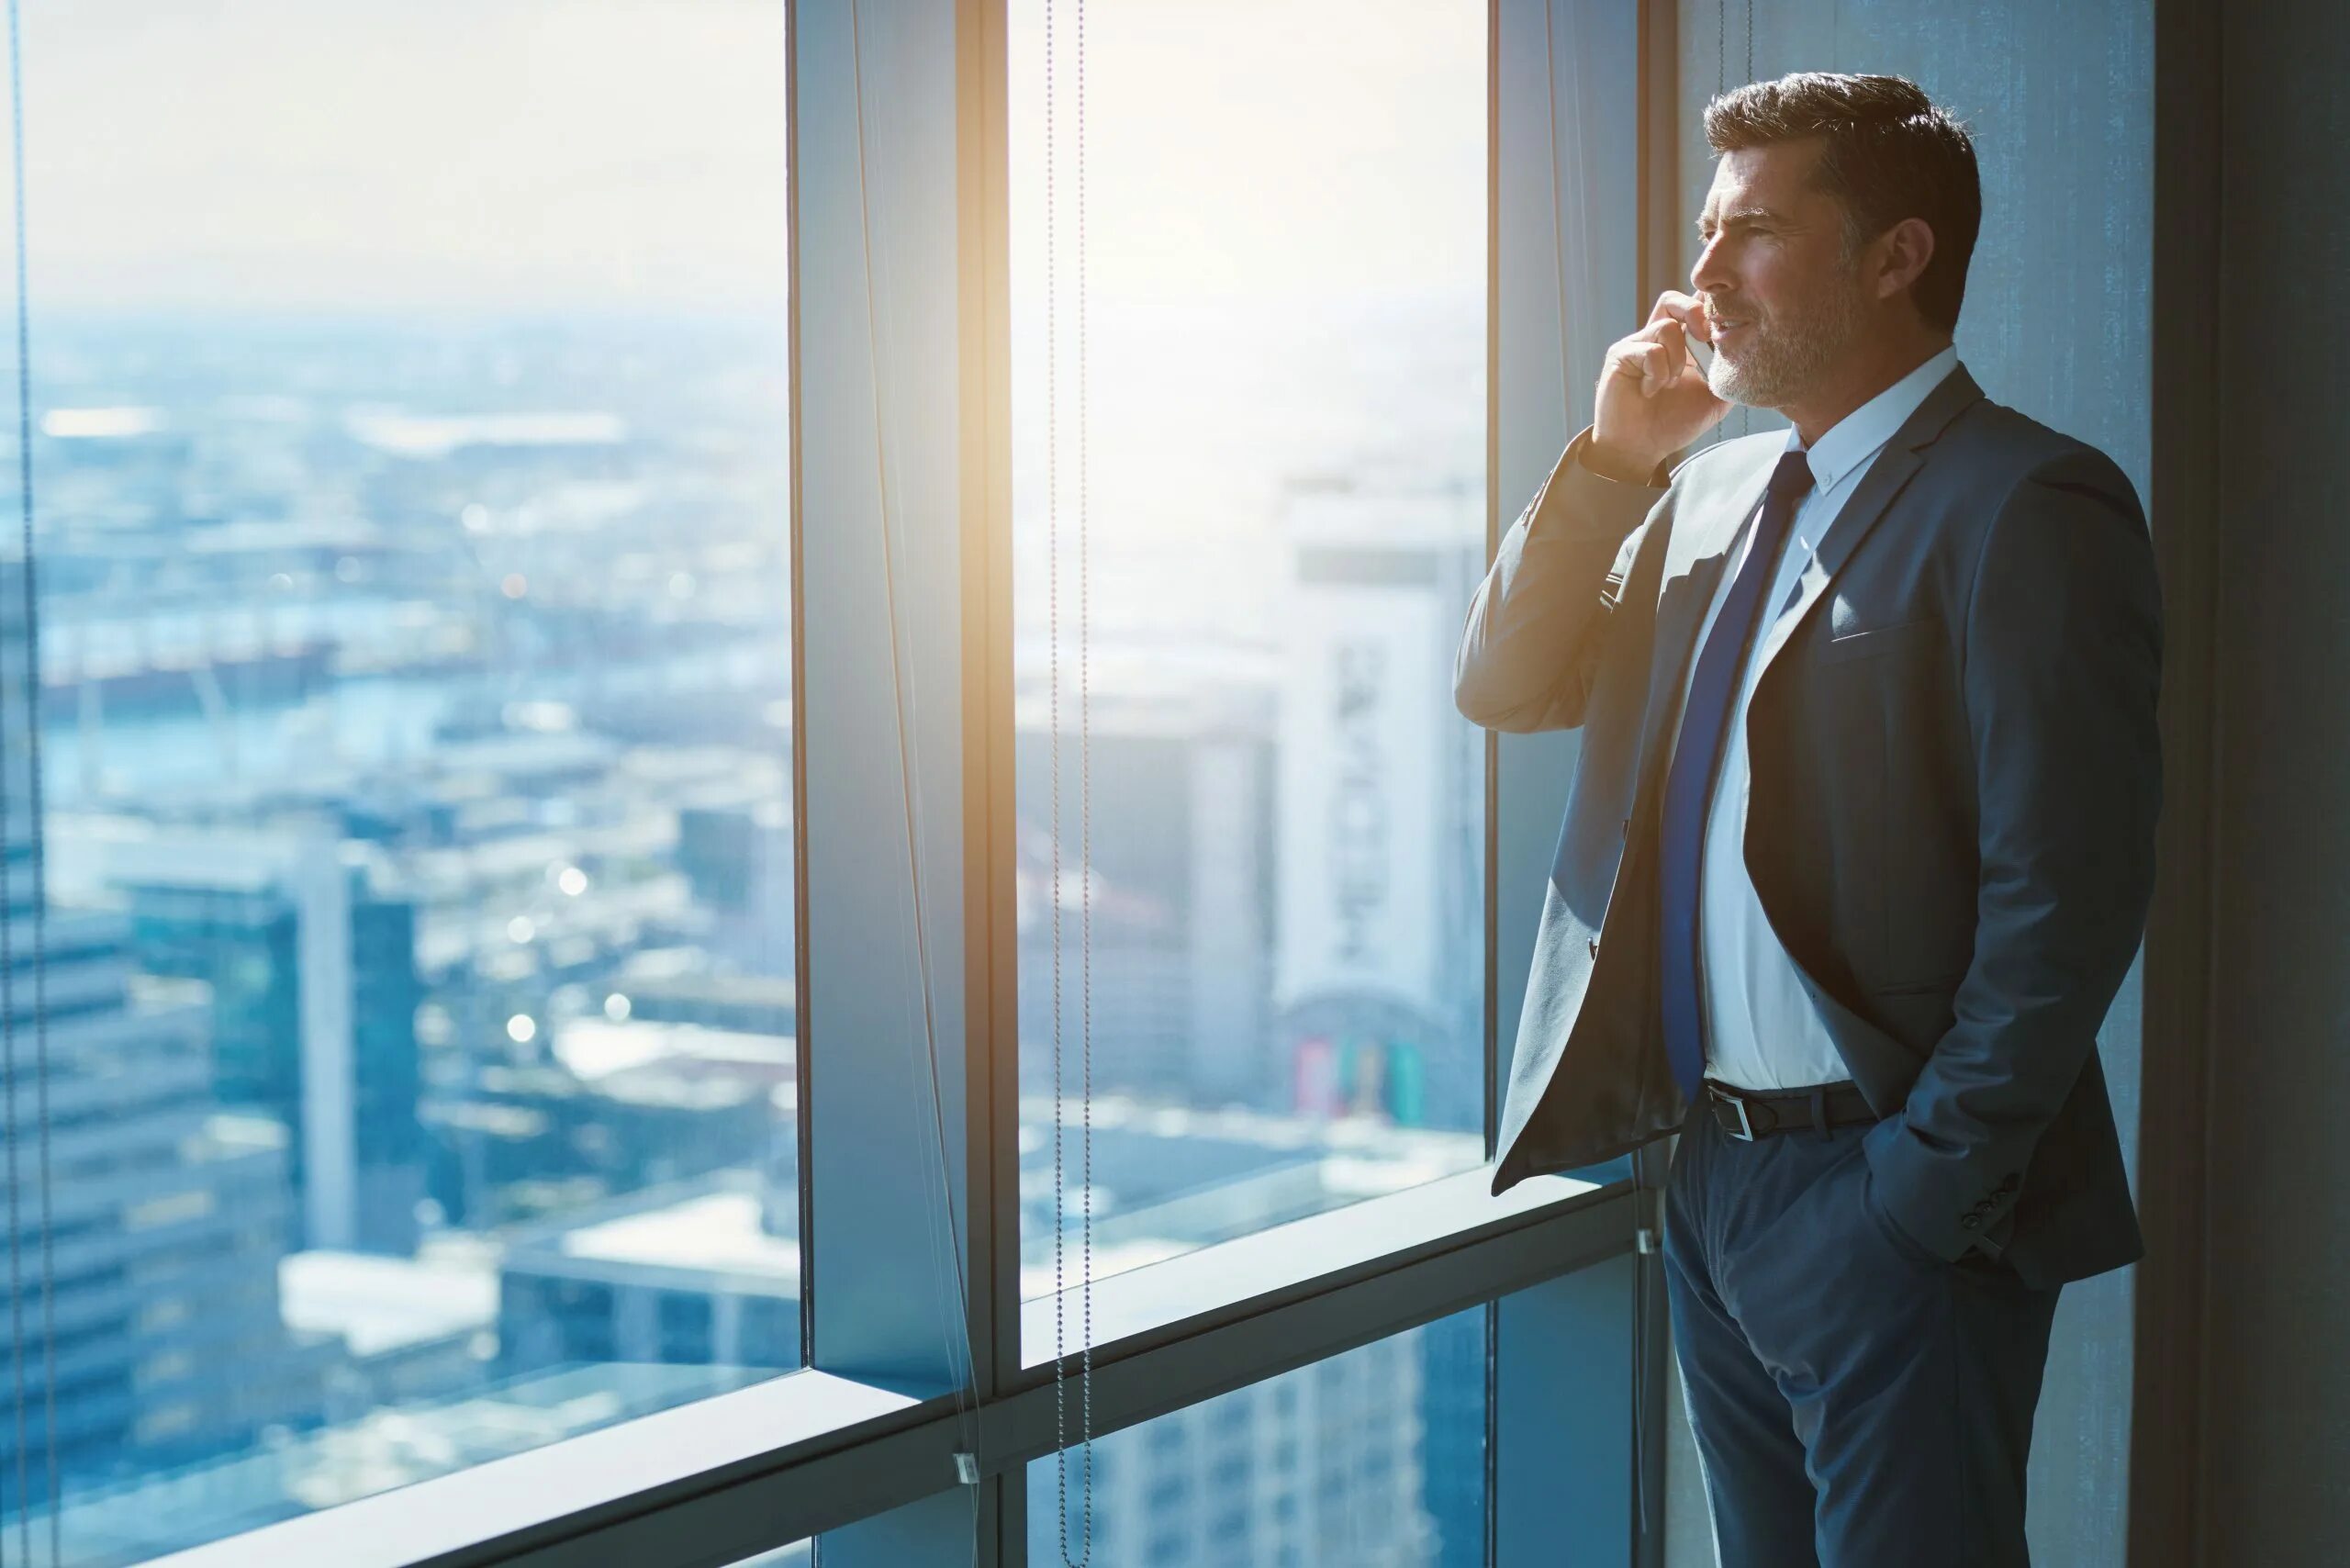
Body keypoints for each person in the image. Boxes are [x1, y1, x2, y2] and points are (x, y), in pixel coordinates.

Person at [1454, 71, 2161, 1565]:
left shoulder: (2029, 502)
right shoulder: (1702, 499)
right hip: (1712, 1184)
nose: (1701, 279)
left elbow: (2066, 903)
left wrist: (1916, 1203)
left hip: (1890, 1193)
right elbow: (1508, 684)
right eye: (1706, 234)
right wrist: (1613, 464)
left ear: (1897, 255)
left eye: (1754, 234)